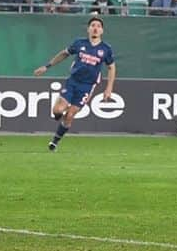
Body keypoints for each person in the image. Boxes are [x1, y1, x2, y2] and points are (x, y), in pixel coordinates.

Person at [32, 16, 116, 151]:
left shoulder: (106, 49)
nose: (95, 28)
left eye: (98, 26)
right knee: (58, 111)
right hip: (73, 82)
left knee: (70, 115)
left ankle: (54, 142)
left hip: (87, 86)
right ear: (88, 29)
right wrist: (47, 66)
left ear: (102, 31)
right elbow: (64, 54)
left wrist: (109, 88)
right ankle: (58, 114)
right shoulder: (79, 43)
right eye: (93, 25)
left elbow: (111, 67)